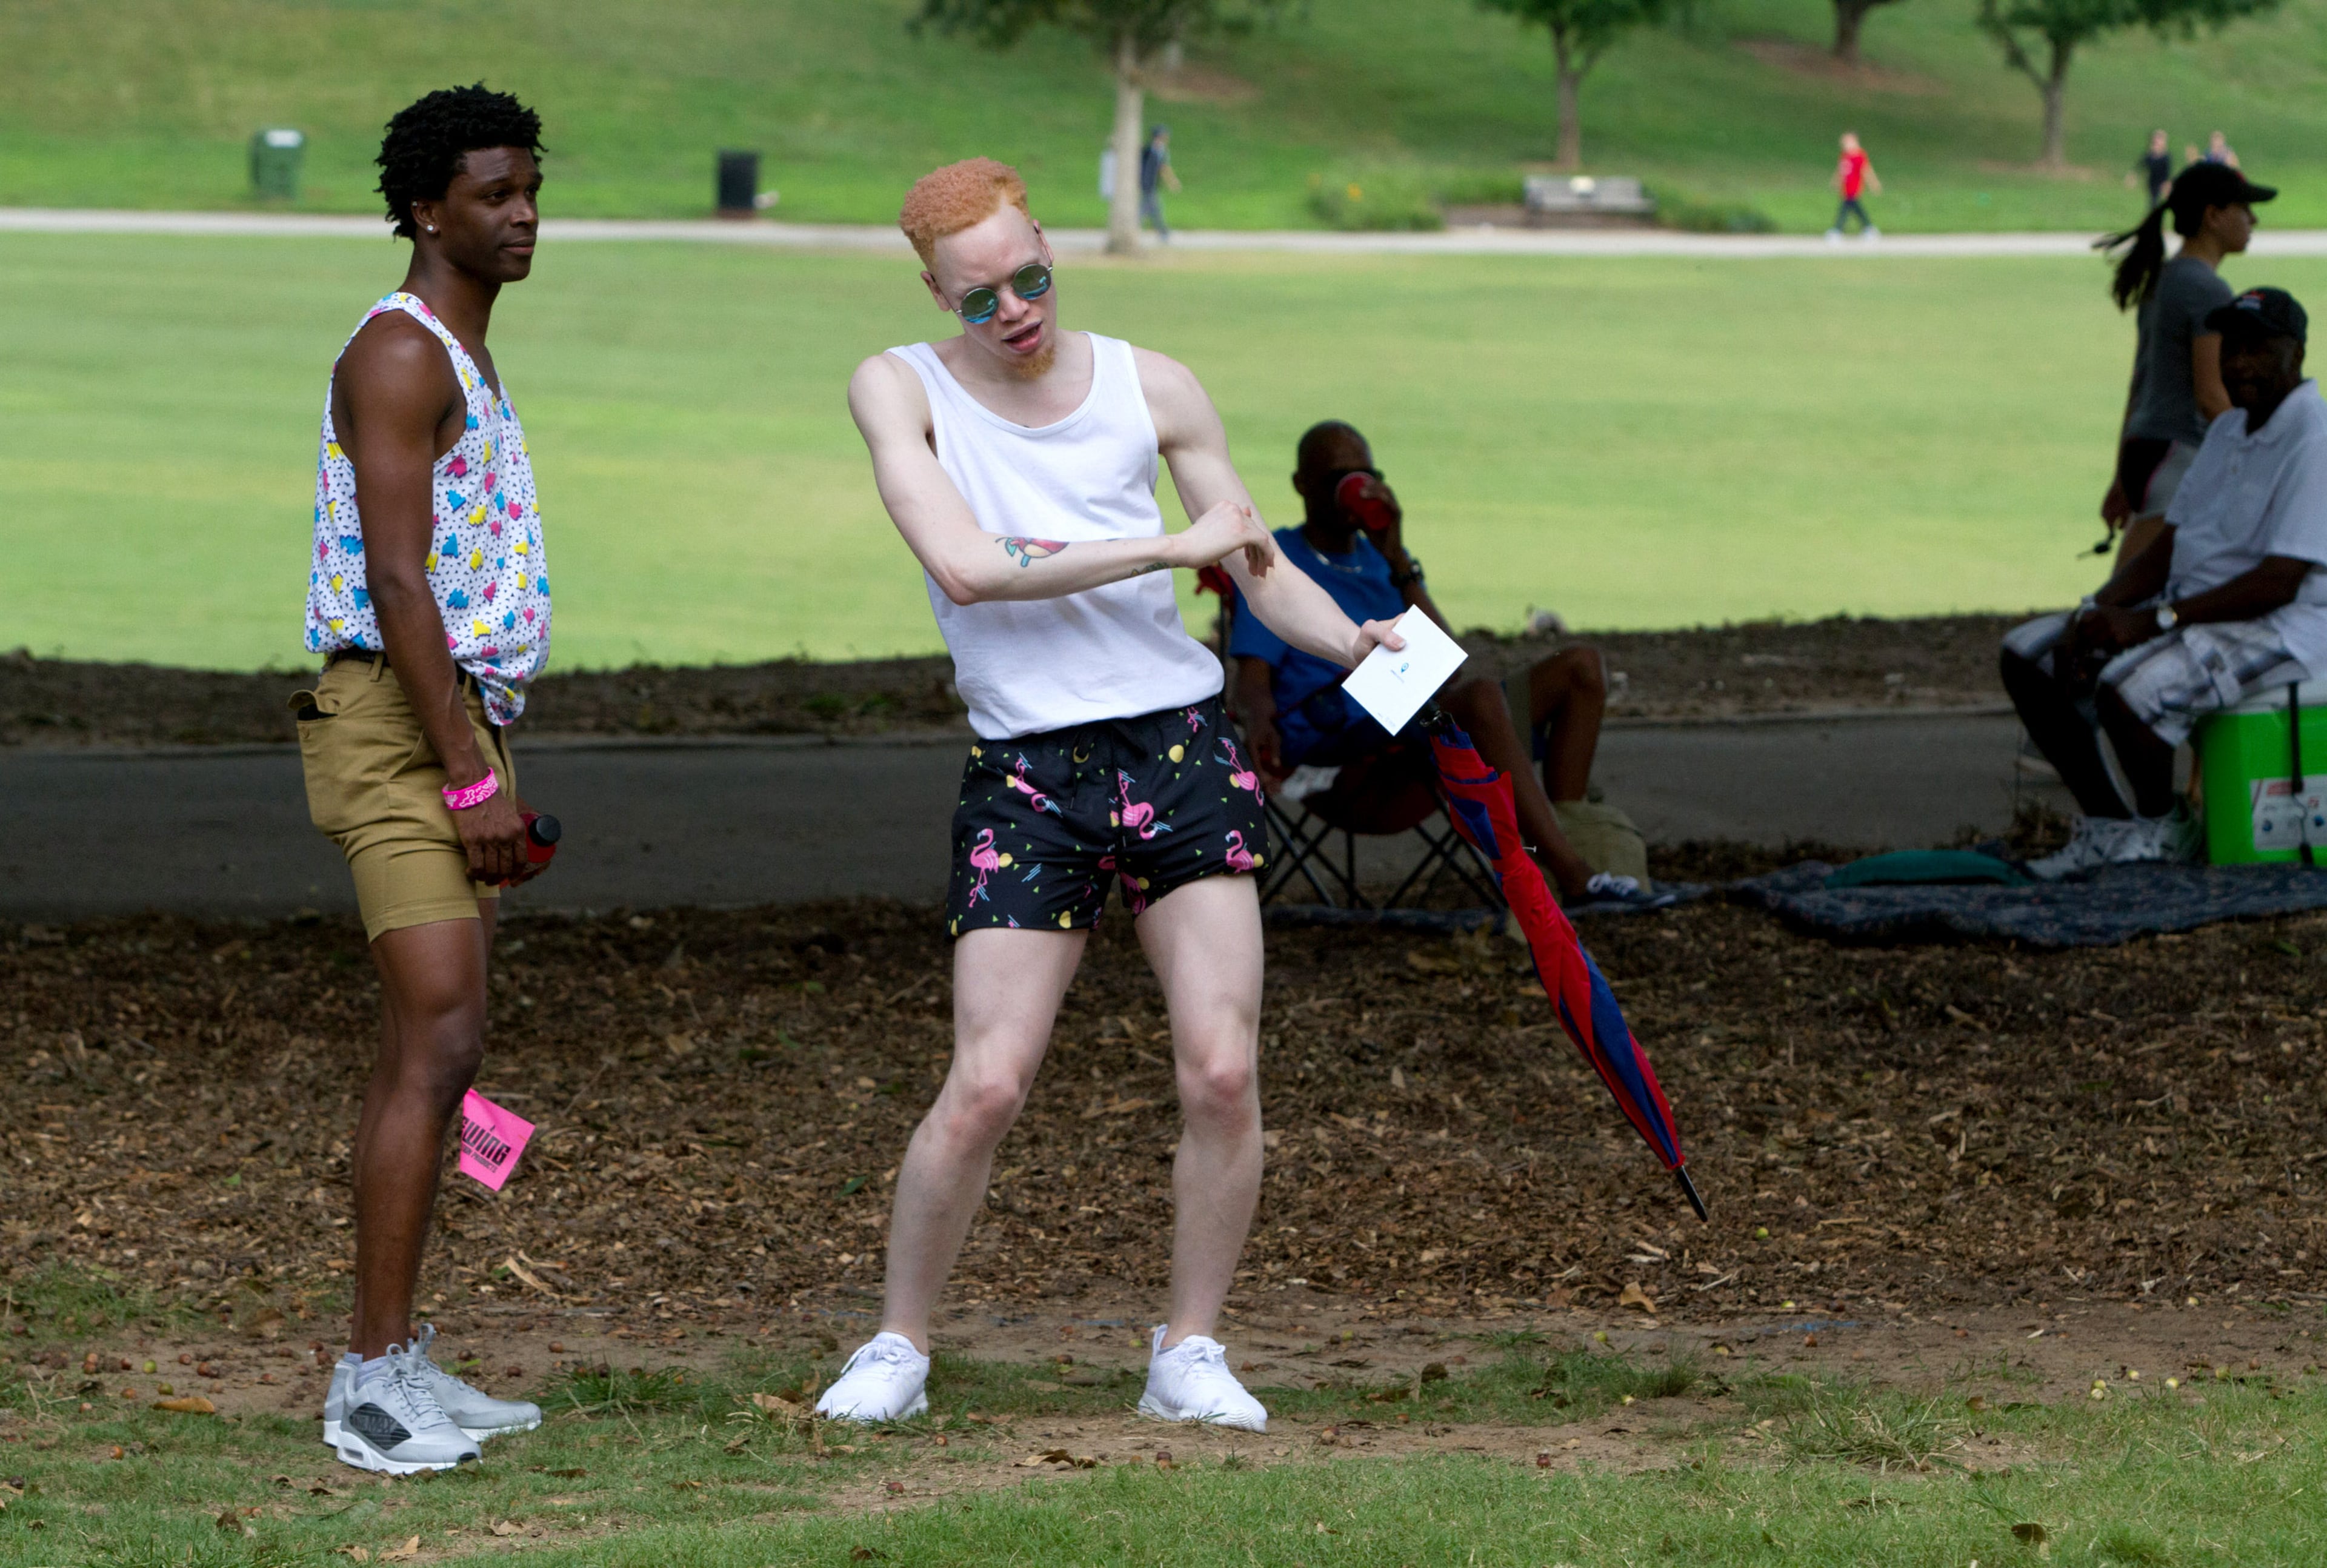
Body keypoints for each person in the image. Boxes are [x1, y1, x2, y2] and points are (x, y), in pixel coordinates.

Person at [817, 158, 1403, 1432]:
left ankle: (1188, 1352)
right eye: (982, 299)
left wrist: (1355, 642)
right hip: (1029, 767)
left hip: (1179, 749)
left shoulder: (1156, 384)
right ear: (938, 293)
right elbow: (967, 566)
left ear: (1048, 253)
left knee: (1221, 1069)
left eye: (1031, 278)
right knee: (988, 1081)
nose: (1016, 310)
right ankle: (899, 1344)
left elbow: (1250, 562)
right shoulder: (897, 386)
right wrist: (1161, 546)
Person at [298, 84, 554, 1474]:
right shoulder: (401, 356)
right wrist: (467, 776)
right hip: (404, 727)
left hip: (455, 724)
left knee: (439, 1045)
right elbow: (398, 580)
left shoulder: (462, 348)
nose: (520, 216)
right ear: (422, 209)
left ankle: (402, 1357)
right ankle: (364, 1385)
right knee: (440, 1041)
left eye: (528, 191)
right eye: (491, 195)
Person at [1228, 421, 1668, 912]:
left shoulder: (1381, 560)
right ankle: (1574, 875)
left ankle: (1567, 833)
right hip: (1343, 740)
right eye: (1338, 476)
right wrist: (1258, 721)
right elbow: (1252, 681)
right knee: (1479, 698)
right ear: (1302, 484)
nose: (1353, 486)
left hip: (1421, 722)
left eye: (1364, 474)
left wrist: (1397, 556)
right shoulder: (1279, 557)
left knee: (1581, 667)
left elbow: (1445, 665)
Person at [2002, 288, 2327, 879]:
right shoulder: (2229, 431)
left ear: (2297, 353)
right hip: (2197, 606)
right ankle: (2113, 826)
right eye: (2231, 348)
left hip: (2283, 623)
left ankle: (2162, 829)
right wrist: (2096, 608)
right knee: (2031, 657)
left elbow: (2280, 581)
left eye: (2257, 348)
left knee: (2129, 689)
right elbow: (2173, 541)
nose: (2239, 363)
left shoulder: (2316, 437)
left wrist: (2152, 622)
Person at [2093, 162, 2272, 566]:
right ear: (2213, 216)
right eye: (2244, 208)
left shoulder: (2166, 280)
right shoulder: (2205, 289)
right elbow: (2211, 396)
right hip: (2178, 456)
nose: (2253, 219)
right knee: (2122, 596)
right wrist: (2259, 453)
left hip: (2145, 450)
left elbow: (2140, 385)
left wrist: (2122, 475)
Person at [1826, 131, 1880, 241]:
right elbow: (1841, 171)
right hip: (1846, 188)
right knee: (1857, 209)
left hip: (1854, 188)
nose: (1845, 145)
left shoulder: (1859, 156)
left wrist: (1874, 184)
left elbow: (1866, 171)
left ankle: (1837, 230)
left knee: (1845, 210)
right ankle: (1869, 228)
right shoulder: (1844, 156)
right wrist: (1836, 182)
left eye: (1847, 142)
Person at [1140, 125, 1182, 242]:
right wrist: (1173, 182)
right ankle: (1163, 233)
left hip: (1152, 185)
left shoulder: (1160, 151)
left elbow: (1163, 168)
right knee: (1151, 209)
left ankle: (1163, 233)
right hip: (1147, 184)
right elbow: (1164, 169)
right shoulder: (1149, 150)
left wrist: (1172, 181)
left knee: (1151, 209)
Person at [2128, 129, 2172, 207]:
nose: (2156, 142)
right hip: (2152, 183)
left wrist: (2167, 185)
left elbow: (2167, 172)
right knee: (2153, 202)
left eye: (2159, 140)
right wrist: (2133, 176)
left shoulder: (2166, 157)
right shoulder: (2151, 155)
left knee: (2155, 202)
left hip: (2161, 183)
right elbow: (2141, 165)